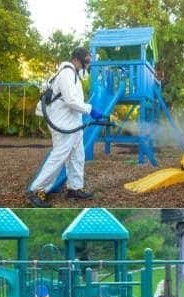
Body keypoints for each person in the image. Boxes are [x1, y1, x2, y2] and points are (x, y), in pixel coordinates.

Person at [26, 47, 106, 207]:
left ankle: (74, 188)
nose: (88, 65)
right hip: (62, 123)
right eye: (87, 62)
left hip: (73, 123)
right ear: (78, 59)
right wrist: (90, 110)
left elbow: (73, 98)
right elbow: (70, 101)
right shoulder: (66, 74)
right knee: (59, 156)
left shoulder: (74, 74)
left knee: (77, 155)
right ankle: (37, 190)